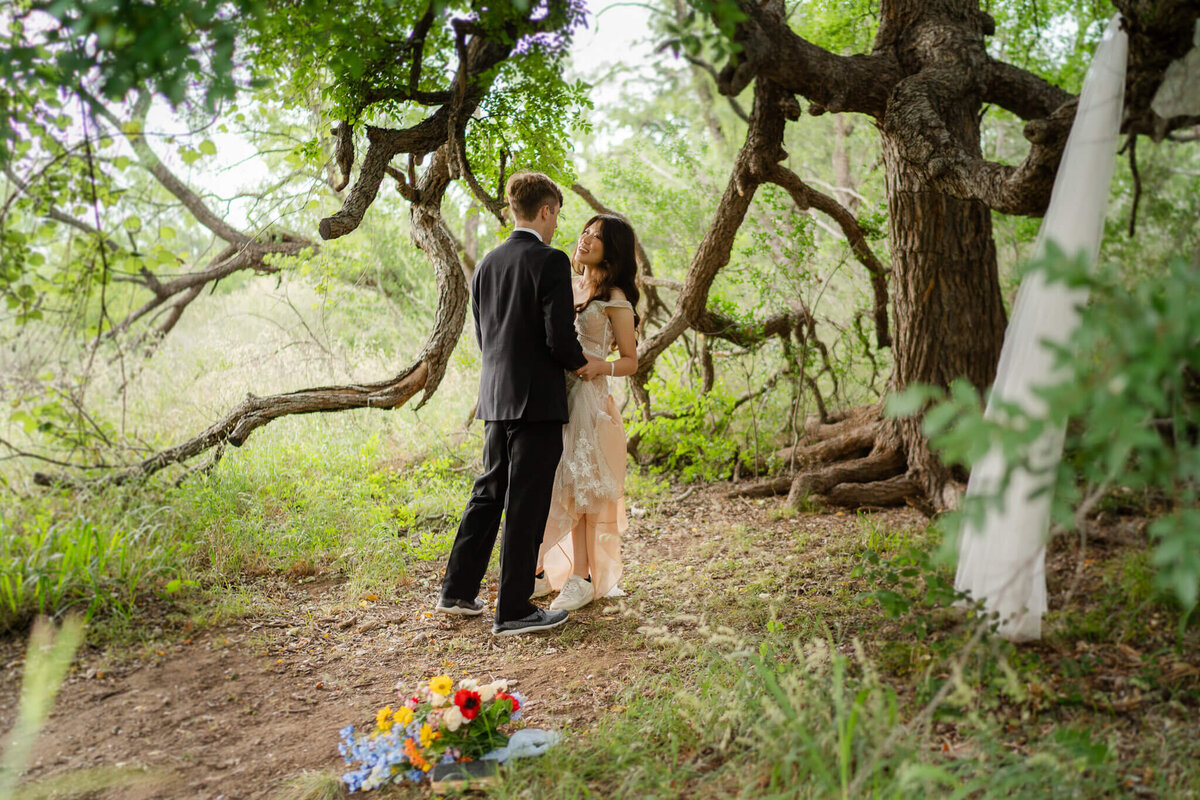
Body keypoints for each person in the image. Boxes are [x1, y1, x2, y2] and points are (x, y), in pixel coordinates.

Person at [437, 172, 605, 637]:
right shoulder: (549, 260)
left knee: (489, 492)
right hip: (538, 401)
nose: (557, 227)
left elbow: (484, 335)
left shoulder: (487, 264)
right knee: (526, 501)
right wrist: (584, 364)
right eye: (557, 216)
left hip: (495, 396)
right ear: (547, 210)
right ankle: (513, 610)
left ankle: (456, 592)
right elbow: (558, 336)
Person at [532, 214, 639, 611]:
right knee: (549, 481)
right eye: (587, 231)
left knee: (578, 487)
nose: (587, 239)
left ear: (613, 250)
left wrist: (600, 366)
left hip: (587, 397)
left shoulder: (616, 298)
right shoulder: (570, 285)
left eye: (599, 236)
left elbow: (630, 361)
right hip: (553, 392)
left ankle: (583, 576)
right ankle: (542, 572)